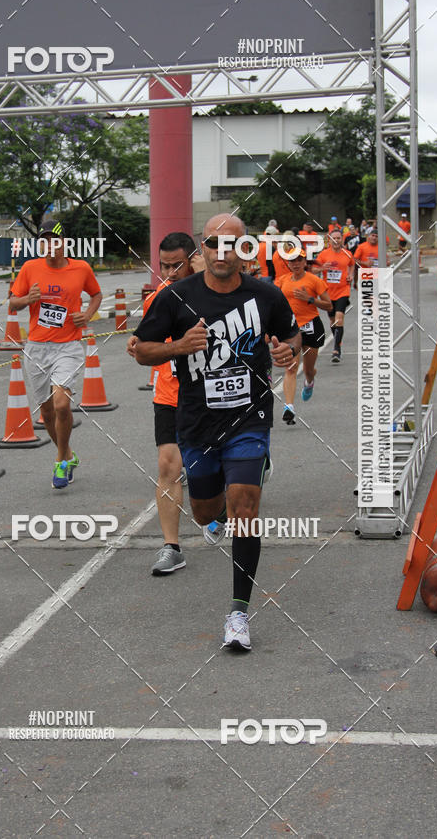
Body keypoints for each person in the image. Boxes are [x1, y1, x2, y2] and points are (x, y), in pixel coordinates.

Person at [132, 213, 300, 651]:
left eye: (234, 244)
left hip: (249, 418)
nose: (222, 252)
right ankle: (218, 513)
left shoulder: (267, 295)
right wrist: (177, 347)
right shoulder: (175, 298)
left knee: (245, 505)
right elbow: (143, 351)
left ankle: (239, 613)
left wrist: (286, 351)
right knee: (206, 511)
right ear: (201, 251)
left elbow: (293, 337)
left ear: (247, 250)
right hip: (196, 422)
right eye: (213, 244)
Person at [127, 232, 200, 576]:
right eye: (164, 266)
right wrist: (139, 345)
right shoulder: (158, 297)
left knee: (213, 476)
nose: (170, 272)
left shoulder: (215, 292)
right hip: (170, 394)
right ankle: (171, 547)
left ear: (194, 260)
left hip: (214, 396)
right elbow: (148, 341)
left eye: (177, 265)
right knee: (169, 467)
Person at [9, 219, 102, 488]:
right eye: (45, 240)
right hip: (37, 348)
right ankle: (67, 455)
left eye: (56, 240)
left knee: (62, 405)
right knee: (47, 412)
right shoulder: (30, 268)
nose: (51, 245)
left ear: (65, 243)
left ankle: (61, 461)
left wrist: (87, 314)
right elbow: (13, 303)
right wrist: (28, 299)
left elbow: (96, 294)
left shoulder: (81, 268)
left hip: (69, 347)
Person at [275, 247, 331, 422]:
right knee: (291, 367)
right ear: (288, 264)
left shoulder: (314, 280)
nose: (296, 263)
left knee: (308, 369)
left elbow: (329, 305)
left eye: (299, 260)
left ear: (305, 262)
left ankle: (309, 381)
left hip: (311, 326)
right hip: (291, 329)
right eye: (292, 261)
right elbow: (273, 304)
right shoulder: (282, 281)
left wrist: (310, 299)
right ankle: (289, 407)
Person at [315, 228, 354, 364]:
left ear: (342, 239)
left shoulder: (347, 253)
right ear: (329, 240)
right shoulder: (323, 255)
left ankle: (336, 349)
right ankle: (338, 339)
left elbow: (352, 265)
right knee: (332, 321)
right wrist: (321, 268)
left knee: (339, 318)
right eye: (334, 238)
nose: (336, 240)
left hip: (343, 290)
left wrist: (351, 275)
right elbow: (312, 269)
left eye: (338, 238)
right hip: (327, 292)